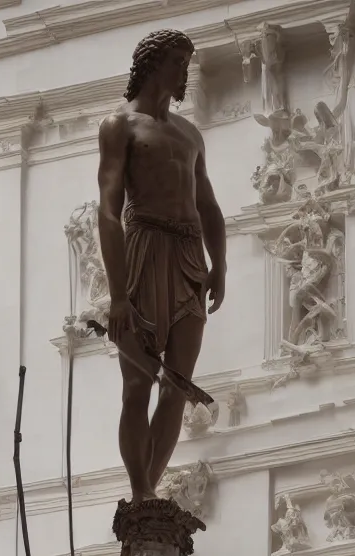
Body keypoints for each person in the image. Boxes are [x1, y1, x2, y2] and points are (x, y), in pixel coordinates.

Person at [97, 29, 226, 504]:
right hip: (144, 250)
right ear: (152, 65)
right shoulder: (121, 125)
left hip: (189, 256)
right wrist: (116, 294)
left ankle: (145, 493)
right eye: (176, 60)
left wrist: (221, 262)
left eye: (186, 61)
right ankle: (139, 490)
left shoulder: (189, 134)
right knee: (139, 381)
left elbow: (208, 205)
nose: (183, 70)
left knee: (178, 385)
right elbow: (108, 210)